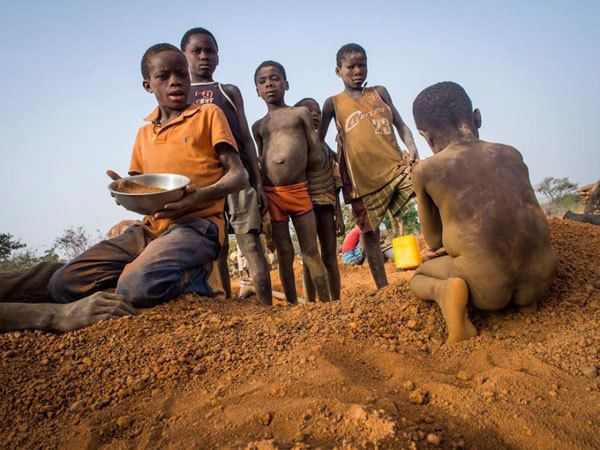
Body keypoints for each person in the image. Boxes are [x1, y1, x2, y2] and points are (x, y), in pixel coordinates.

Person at [47, 44, 246, 309]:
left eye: (181, 74)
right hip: (151, 228)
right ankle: (144, 272)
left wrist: (200, 196)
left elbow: (239, 176)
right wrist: (124, 190)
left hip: (198, 225)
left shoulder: (207, 114)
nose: (175, 82)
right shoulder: (144, 134)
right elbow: (142, 187)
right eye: (163, 77)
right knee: (64, 282)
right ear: (147, 85)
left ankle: (200, 279)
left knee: (136, 286)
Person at [409, 81, 557, 342]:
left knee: (419, 275)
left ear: (426, 136)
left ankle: (445, 292)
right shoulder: (512, 154)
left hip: (487, 287)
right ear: (477, 117)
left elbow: (433, 241)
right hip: (540, 280)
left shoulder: (426, 170)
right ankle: (524, 304)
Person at [181, 27, 272, 305]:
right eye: (196, 51)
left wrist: (259, 184)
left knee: (251, 245)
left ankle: (268, 309)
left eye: (209, 51)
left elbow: (245, 138)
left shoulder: (228, 91)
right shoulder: (180, 97)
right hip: (204, 184)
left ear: (218, 58)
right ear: (184, 57)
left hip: (238, 180)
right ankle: (227, 308)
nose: (203, 56)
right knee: (215, 249)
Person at [320, 43, 420, 290]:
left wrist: (412, 148)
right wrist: (336, 155)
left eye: (362, 65)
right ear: (338, 71)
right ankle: (382, 287)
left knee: (425, 188)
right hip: (361, 182)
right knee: (370, 233)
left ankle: (437, 250)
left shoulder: (379, 92)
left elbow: (401, 125)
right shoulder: (332, 104)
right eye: (350, 67)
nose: (357, 71)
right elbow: (317, 140)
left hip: (396, 168)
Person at [252, 61, 330, 303]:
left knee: (310, 251)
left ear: (286, 83)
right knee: (284, 253)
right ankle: (292, 304)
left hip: (299, 189)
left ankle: (327, 305)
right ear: (257, 91)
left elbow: (315, 153)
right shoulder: (258, 126)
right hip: (272, 194)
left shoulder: (300, 113)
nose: (269, 84)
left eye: (274, 78)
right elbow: (261, 158)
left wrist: (298, 163)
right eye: (262, 82)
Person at [294, 97, 343, 301]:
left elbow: (336, 180)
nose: (314, 114)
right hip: (304, 207)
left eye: (317, 112)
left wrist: (339, 215)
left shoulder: (324, 147)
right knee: (309, 257)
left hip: (325, 206)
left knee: (330, 256)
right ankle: (312, 302)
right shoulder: (295, 145)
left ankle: (336, 301)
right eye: (308, 110)